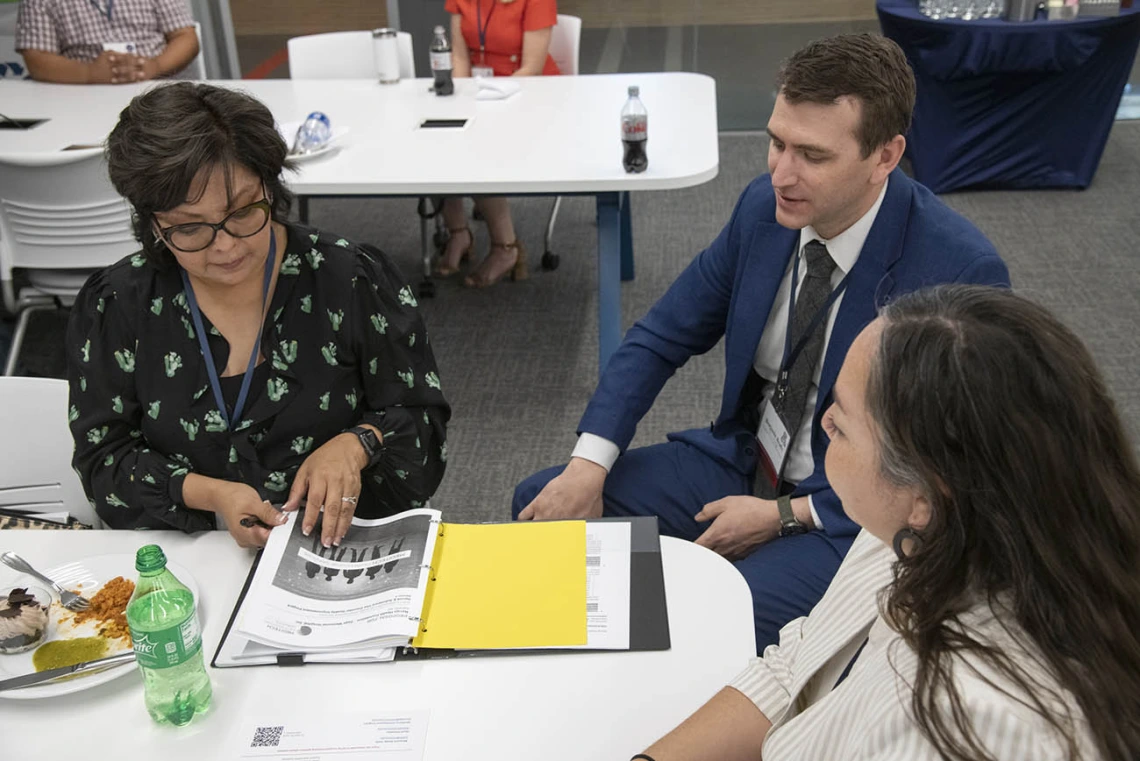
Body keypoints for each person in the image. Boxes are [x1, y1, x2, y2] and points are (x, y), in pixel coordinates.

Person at [513, 34, 1011, 651]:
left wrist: (783, 518)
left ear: (885, 157)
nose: (781, 173)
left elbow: (949, 469)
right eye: (776, 143)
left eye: (812, 155)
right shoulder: (762, 210)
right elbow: (661, 336)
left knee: (707, 624)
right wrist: (590, 464)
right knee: (543, 509)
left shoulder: (957, 271)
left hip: (849, 512)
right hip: (745, 459)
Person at [634, 285, 1140, 760]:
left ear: (923, 492)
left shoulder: (972, 721)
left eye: (843, 423)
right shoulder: (917, 527)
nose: (824, 423)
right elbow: (795, 671)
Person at [66, 82, 450, 550]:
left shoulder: (349, 279)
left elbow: (421, 421)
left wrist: (358, 443)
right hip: (192, 561)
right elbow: (104, 461)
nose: (225, 245)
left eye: (243, 211)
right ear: (151, 223)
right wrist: (212, 495)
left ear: (271, 185)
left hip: (336, 552)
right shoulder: (119, 304)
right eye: (189, 227)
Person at [434, 0, 560, 287]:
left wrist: (488, 102)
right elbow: (461, 57)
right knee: (438, 143)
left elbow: (533, 67)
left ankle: (506, 248)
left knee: (479, 154)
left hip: (529, 96)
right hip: (478, 98)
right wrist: (460, 102)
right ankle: (458, 232)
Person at [16, 0, 199, 84]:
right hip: (80, 93)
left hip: (156, 84)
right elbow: (37, 59)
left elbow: (185, 36)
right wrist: (89, 73)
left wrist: (155, 67)